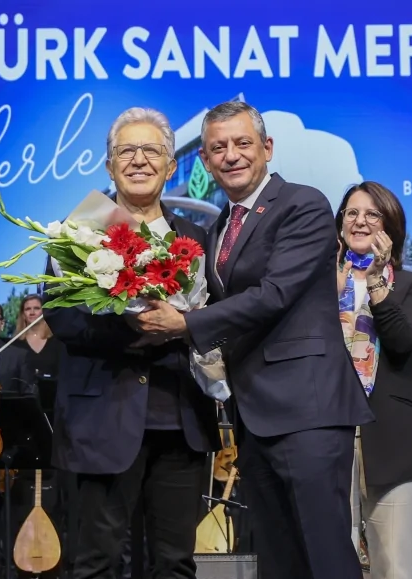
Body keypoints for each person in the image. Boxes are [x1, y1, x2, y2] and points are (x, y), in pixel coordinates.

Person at [135, 101, 374, 579]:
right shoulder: (218, 226)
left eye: (242, 143)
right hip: (256, 416)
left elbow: (276, 293)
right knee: (280, 558)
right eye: (217, 148)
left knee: (324, 553)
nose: (231, 156)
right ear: (203, 160)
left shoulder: (303, 204)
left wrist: (187, 324)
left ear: (267, 148)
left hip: (308, 410)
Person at [43, 107, 220, 579]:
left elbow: (214, 321)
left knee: (176, 563)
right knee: (96, 562)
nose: (139, 160)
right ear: (109, 164)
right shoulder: (79, 231)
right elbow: (63, 319)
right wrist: (137, 329)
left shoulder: (197, 238)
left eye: (152, 151)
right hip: (101, 418)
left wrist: (184, 322)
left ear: (168, 164)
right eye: (127, 151)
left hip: (180, 419)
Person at [334, 182, 412, 579]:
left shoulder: (411, 284)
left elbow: (404, 341)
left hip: (393, 442)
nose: (359, 221)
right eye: (351, 213)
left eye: (372, 214)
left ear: (390, 227)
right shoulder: (318, 283)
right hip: (329, 435)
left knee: (392, 567)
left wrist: (377, 282)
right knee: (330, 561)